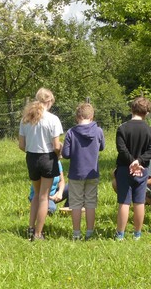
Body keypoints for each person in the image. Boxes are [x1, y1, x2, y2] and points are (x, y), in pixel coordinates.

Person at [19, 88, 63, 241]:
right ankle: (38, 233)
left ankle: (30, 228)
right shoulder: (53, 119)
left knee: (36, 195)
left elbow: (21, 145)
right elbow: (56, 145)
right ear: (49, 101)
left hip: (31, 158)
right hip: (48, 158)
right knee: (44, 197)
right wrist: (59, 153)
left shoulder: (26, 118)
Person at [115, 96, 151, 241]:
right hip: (142, 169)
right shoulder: (150, 130)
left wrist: (132, 162)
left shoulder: (122, 128)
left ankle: (120, 234)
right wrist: (139, 161)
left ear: (131, 109)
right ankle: (137, 234)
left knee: (124, 202)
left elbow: (121, 149)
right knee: (139, 202)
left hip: (124, 168)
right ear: (147, 113)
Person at [62, 103, 105, 241]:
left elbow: (66, 154)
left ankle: (76, 233)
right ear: (92, 116)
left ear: (77, 117)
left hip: (76, 173)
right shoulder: (98, 131)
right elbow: (102, 147)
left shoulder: (71, 132)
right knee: (90, 203)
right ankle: (90, 232)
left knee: (75, 204)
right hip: (92, 172)